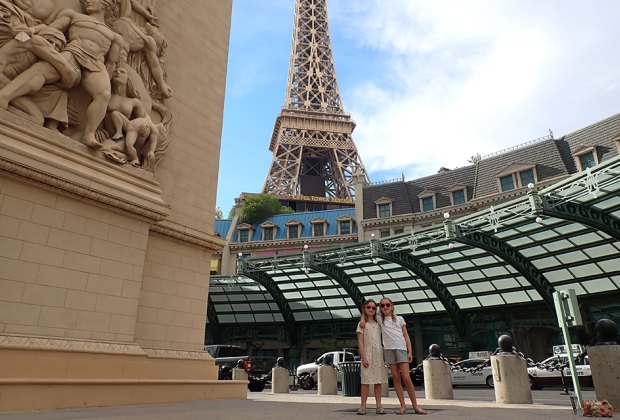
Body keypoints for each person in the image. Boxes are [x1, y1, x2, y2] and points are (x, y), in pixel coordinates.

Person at [0, 0, 124, 149]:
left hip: (96, 63)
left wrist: (106, 78)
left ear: (105, 4)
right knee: (41, 70)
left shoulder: (115, 37)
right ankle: (5, 96)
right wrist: (30, 31)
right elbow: (49, 28)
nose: (87, 2)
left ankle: (89, 134)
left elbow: (110, 63)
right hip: (72, 53)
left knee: (103, 94)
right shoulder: (73, 16)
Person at [360, 297, 426, 415]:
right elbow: (367, 315)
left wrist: (410, 351)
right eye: (382, 305)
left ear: (392, 306)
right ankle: (403, 406)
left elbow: (406, 336)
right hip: (388, 350)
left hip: (401, 349)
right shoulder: (379, 319)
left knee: (406, 377)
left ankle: (415, 406)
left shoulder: (399, 319)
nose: (385, 307)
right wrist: (362, 319)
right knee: (396, 378)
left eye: (387, 305)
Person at [355, 299, 387, 415]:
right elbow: (361, 342)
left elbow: (386, 316)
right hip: (367, 353)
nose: (371, 310)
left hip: (378, 354)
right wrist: (363, 357)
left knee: (378, 382)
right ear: (364, 308)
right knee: (365, 381)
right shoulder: (361, 324)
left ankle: (379, 406)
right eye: (369, 307)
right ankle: (363, 406)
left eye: (374, 308)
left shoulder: (378, 322)